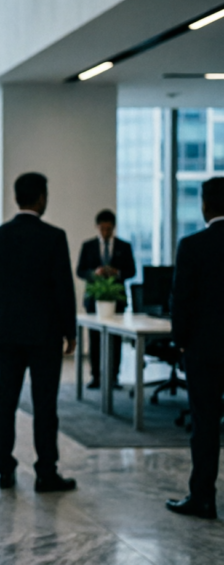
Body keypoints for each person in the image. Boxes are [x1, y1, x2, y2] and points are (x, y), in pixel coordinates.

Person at [0, 172, 77, 493]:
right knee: (45, 405)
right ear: (41, 198)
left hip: (7, 333)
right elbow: (63, 288)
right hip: (45, 335)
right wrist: (70, 331)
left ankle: (5, 469)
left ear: (17, 197)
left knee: (5, 401)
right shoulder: (54, 237)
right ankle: (45, 472)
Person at [166, 177, 224, 519]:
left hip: (204, 351)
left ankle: (202, 497)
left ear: (205, 205)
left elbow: (181, 301)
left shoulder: (192, 245)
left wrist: (180, 343)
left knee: (204, 426)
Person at [76, 209, 135, 389]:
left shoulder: (124, 247)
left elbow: (132, 271)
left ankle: (114, 377)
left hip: (116, 298)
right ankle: (96, 376)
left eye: (108, 229)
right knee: (95, 339)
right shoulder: (89, 246)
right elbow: (80, 270)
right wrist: (95, 273)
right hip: (95, 298)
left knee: (115, 340)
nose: (105, 232)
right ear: (97, 227)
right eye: (102, 228)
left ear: (114, 228)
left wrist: (117, 273)